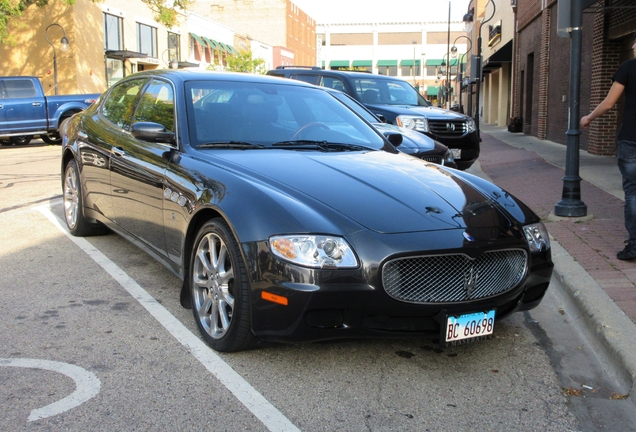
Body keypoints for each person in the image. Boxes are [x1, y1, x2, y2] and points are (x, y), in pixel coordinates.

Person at [581, 37, 636, 260]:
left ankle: (634, 245)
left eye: (635, 41)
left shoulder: (629, 67)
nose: (632, 45)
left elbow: (609, 102)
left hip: (632, 139)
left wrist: (589, 117)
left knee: (633, 191)